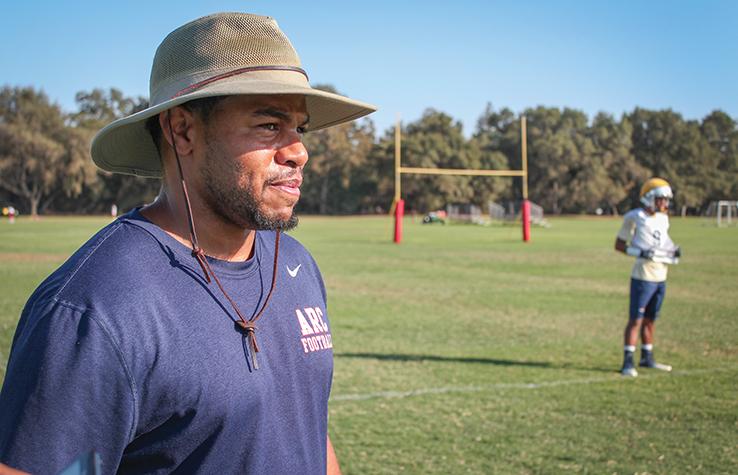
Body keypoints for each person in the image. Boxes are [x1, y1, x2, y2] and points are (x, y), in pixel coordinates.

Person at [0, 12, 375, 474]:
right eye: (269, 125)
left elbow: (305, 431)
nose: (299, 150)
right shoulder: (95, 308)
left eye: (299, 127)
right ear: (182, 130)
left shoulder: (294, 261)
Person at [615, 177, 680, 377]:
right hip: (643, 276)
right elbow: (619, 246)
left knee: (651, 320)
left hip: (661, 275)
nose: (665, 204)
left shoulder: (663, 218)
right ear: (650, 198)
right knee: (636, 319)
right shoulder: (634, 217)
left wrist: (674, 251)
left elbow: (663, 243)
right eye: (661, 199)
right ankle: (628, 361)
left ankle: (647, 357)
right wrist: (639, 253)